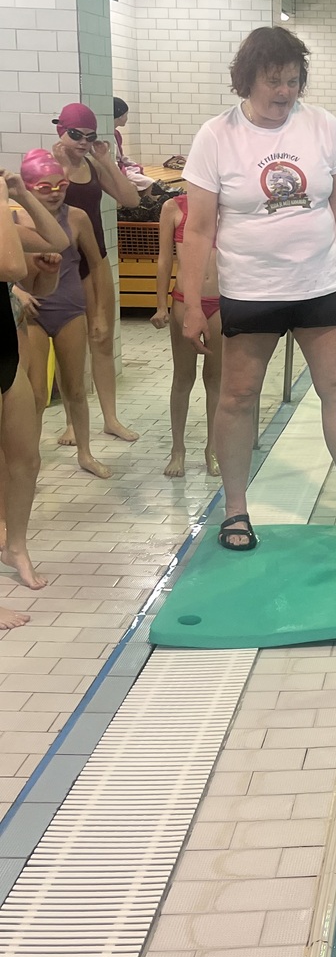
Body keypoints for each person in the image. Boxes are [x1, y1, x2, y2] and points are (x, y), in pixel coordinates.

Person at [179, 25, 336, 551]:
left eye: (293, 81)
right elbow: (198, 229)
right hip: (250, 290)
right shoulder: (217, 136)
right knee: (238, 397)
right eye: (273, 81)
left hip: (319, 285)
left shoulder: (322, 126)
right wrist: (192, 304)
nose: (284, 92)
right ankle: (236, 510)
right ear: (247, 80)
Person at [0, 167, 72, 623]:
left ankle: (16, 546)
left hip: (6, 349)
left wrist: (22, 194)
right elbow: (10, 268)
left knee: (26, 458)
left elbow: (57, 240)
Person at [17, 151, 113, 478]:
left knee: (76, 389)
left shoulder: (77, 218)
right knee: (36, 394)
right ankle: (30, 460)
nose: (55, 193)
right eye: (45, 187)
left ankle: (85, 453)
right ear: (28, 188)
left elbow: (96, 264)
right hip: (31, 313)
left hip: (70, 309)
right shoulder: (15, 220)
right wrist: (17, 292)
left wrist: (98, 314)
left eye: (61, 185)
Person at [52, 102, 140, 443]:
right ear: (61, 130)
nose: (83, 142)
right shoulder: (45, 165)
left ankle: (111, 419)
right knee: (69, 349)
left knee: (102, 341)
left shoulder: (92, 164)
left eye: (90, 137)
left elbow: (131, 199)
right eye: (76, 135)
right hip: (62, 266)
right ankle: (72, 422)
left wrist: (106, 161)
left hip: (96, 260)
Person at [151, 193, 222, 478]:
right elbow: (164, 259)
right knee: (183, 377)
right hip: (184, 300)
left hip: (222, 301)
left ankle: (213, 448)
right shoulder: (173, 208)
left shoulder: (229, 204)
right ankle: (177, 449)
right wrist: (160, 305)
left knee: (216, 379)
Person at [113, 96, 154, 194]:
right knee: (150, 183)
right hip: (116, 171)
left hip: (121, 167)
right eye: (126, 115)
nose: (127, 118)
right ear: (120, 116)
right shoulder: (110, 136)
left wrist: (134, 164)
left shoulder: (116, 133)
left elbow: (122, 157)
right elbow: (114, 161)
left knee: (141, 174)